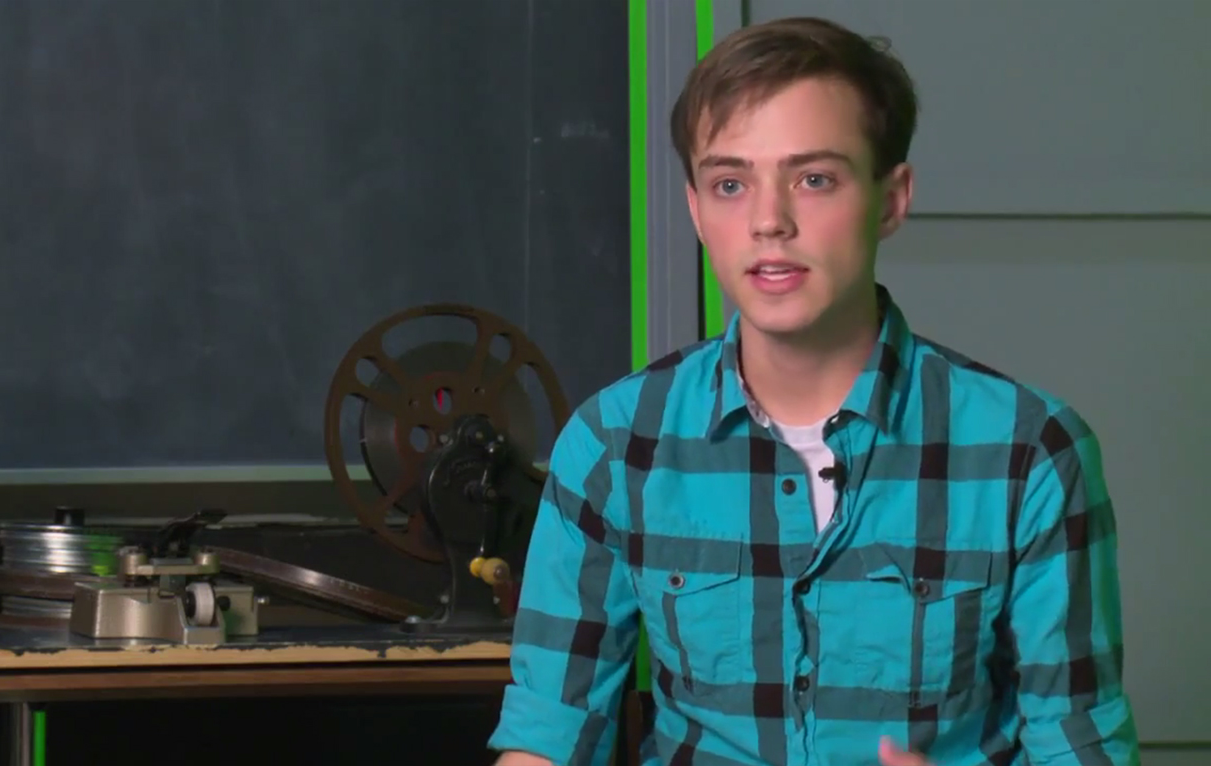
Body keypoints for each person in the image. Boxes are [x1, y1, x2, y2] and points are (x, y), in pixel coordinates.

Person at [486, 14, 1140, 766]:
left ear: (891, 199)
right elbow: (548, 735)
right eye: (730, 184)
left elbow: (1081, 747)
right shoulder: (614, 444)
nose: (769, 221)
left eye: (814, 179)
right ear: (696, 210)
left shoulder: (1030, 453)